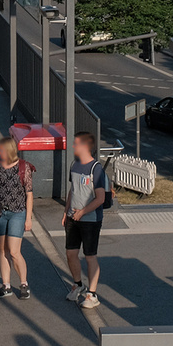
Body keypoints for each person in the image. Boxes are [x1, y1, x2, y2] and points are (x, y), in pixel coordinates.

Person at [63, 131, 111, 310]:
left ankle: (92, 293)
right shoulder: (74, 165)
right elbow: (72, 190)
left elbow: (99, 198)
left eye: (76, 144)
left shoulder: (96, 169)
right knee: (70, 253)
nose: (73, 147)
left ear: (84, 146)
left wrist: (82, 212)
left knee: (90, 256)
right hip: (72, 218)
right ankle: (77, 284)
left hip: (90, 219)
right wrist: (66, 211)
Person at [0, 136, 35, 299]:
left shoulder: (23, 167)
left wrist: (28, 218)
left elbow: (29, 194)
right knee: (2, 250)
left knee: (14, 251)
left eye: (1, 149)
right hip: (0, 213)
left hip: (17, 213)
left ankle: (24, 283)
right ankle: (6, 285)